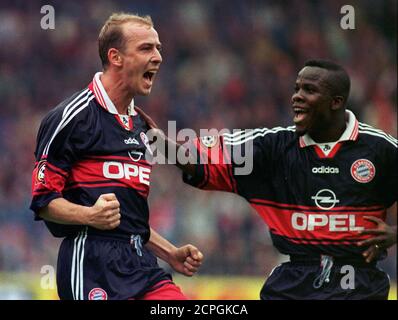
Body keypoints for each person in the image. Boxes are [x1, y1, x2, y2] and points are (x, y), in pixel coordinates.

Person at [137, 59, 397, 300]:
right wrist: (158, 141)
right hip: (295, 281)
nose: (297, 96)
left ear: (336, 102)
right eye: (296, 89)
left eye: (309, 90)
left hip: (360, 284)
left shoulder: (381, 150)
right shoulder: (272, 148)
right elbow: (200, 161)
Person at [30, 13, 203, 300]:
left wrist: (169, 251)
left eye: (159, 48)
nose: (158, 57)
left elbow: (128, 218)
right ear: (116, 57)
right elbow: (43, 201)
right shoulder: (71, 117)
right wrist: (90, 215)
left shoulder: (143, 125)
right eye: (146, 48)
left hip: (140, 263)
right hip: (90, 263)